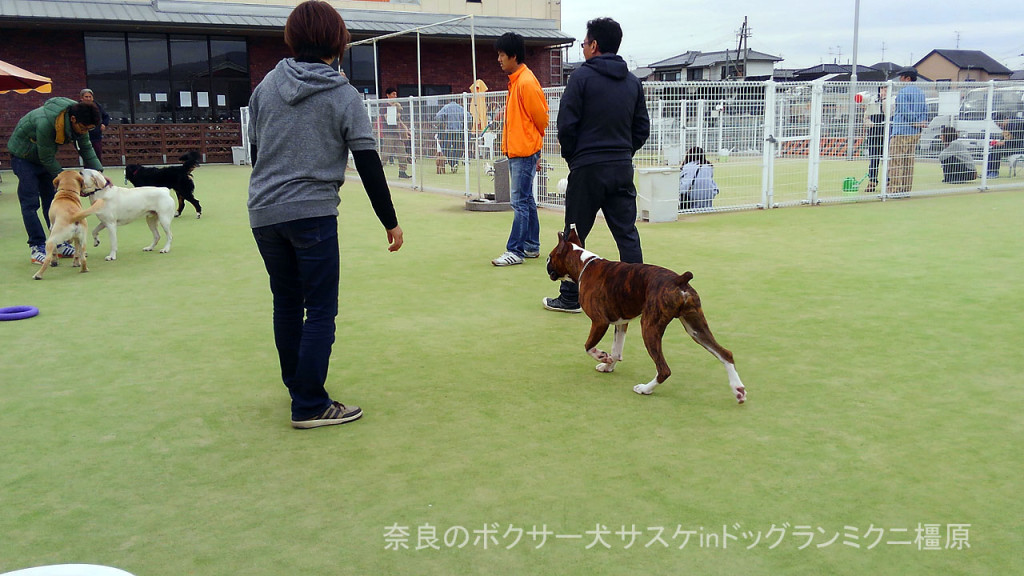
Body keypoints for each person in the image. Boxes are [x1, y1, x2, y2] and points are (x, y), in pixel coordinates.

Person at [246, 0, 404, 429]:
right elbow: (368, 163)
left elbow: (258, 152)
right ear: (338, 41)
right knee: (319, 309)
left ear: (292, 38)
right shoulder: (342, 94)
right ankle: (310, 403)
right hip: (312, 213)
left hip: (263, 212)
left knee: (286, 301)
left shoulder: (265, 87)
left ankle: (297, 384)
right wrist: (389, 220)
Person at [542, 17, 650, 312]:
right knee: (626, 232)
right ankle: (637, 294)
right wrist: (623, 152)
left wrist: (574, 158)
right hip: (620, 167)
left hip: (587, 168)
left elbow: (566, 126)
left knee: (574, 234)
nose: (583, 46)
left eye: (585, 42)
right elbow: (642, 129)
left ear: (594, 45)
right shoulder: (632, 83)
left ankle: (570, 296)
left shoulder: (580, 78)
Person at [6, 97, 103, 264]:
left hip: (44, 157)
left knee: (51, 201)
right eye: (83, 128)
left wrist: (99, 174)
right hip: (23, 157)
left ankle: (57, 243)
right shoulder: (46, 122)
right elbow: (46, 157)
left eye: (89, 129)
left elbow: (86, 148)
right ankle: (37, 247)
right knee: (30, 203)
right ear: (73, 120)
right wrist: (67, 181)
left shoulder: (79, 123)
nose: (84, 131)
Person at [490, 32, 548, 267]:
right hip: (521, 151)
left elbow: (542, 119)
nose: (499, 59)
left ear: (513, 56)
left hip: (523, 152)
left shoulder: (525, 82)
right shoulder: (518, 81)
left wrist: (535, 148)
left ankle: (515, 250)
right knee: (526, 199)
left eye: (502, 54)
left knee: (520, 202)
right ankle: (531, 245)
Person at [886, 67, 928, 196]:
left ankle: (895, 189)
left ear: (907, 78)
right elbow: (925, 110)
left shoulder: (903, 93)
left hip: (901, 130)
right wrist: (920, 122)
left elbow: (904, 110)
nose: (900, 79)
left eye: (902, 77)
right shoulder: (920, 92)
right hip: (915, 132)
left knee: (896, 160)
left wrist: (913, 121)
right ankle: (905, 189)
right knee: (908, 161)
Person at [862, 85, 887, 195]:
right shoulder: (872, 101)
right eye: (882, 88)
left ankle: (889, 181)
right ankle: (872, 181)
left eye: (886, 89)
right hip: (873, 133)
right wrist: (868, 123)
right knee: (874, 159)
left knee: (887, 159)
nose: (884, 91)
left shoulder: (892, 101)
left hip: (887, 134)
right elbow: (866, 117)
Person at [382, 87, 412, 179]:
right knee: (386, 153)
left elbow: (399, 121)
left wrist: (406, 129)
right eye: (393, 94)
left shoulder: (397, 106)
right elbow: (388, 119)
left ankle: (402, 171)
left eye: (396, 94)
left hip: (397, 133)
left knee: (402, 152)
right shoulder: (384, 106)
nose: (395, 96)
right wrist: (396, 113)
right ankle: (377, 171)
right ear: (388, 95)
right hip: (389, 133)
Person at [985, 111, 1024, 179]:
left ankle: (993, 172)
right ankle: (989, 172)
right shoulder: (1010, 124)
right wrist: (1000, 142)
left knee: (996, 150)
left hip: (1020, 147)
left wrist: (1002, 143)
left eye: (1000, 125)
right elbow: (1007, 139)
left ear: (1005, 119)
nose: (1000, 127)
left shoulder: (1016, 124)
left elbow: (1015, 139)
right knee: (994, 149)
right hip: (1014, 146)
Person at [79, 88, 110, 162]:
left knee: (97, 155)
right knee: (86, 157)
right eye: (86, 97)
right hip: (83, 136)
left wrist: (104, 124)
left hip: (96, 136)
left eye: (90, 97)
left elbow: (106, 116)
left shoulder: (98, 106)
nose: (88, 99)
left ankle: (98, 171)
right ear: (81, 98)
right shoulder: (77, 107)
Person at [434, 100, 466, 173]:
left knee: (445, 148)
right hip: (458, 132)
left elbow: (438, 116)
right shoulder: (460, 108)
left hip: (448, 131)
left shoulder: (446, 107)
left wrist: (443, 121)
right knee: (457, 148)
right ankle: (455, 162)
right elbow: (469, 117)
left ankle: (451, 162)